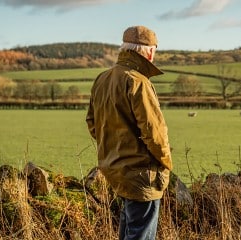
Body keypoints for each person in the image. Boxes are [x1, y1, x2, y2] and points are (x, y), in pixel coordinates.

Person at [86, 25, 173, 240]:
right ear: (149, 51)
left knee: (128, 232)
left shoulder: (102, 79)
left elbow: (92, 122)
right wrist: (166, 163)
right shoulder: (138, 82)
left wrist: (115, 148)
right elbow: (155, 132)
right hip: (143, 174)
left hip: (116, 169)